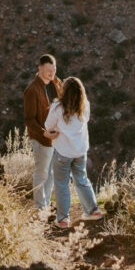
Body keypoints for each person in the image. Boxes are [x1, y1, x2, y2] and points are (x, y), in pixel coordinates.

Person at [44, 76, 103, 230]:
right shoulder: (85, 105)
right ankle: (93, 210)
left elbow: (48, 125)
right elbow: (85, 120)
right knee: (82, 180)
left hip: (63, 152)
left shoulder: (57, 107)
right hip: (80, 151)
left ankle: (63, 219)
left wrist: (56, 130)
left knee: (62, 185)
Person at [23, 54, 63, 215]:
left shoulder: (51, 84)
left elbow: (62, 94)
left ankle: (45, 204)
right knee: (41, 173)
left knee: (51, 173)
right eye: (48, 70)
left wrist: (55, 80)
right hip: (41, 139)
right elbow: (29, 119)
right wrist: (44, 133)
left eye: (53, 70)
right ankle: (40, 207)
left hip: (52, 139)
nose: (51, 73)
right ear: (39, 68)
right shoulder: (32, 90)